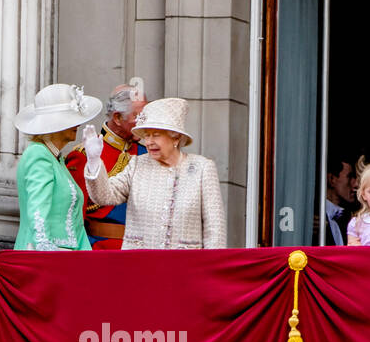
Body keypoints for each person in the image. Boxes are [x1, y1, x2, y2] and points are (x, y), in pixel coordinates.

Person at [81, 97, 226, 249]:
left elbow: (215, 229)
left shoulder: (202, 168)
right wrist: (93, 161)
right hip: (140, 265)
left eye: (155, 135)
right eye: (146, 135)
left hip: (186, 266)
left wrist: (211, 268)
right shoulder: (137, 164)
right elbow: (105, 195)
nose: (149, 142)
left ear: (175, 136)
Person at [13, 83, 102, 251]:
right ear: (53, 125)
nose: (77, 124)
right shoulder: (38, 155)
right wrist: (47, 253)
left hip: (65, 258)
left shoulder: (56, 159)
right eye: (70, 119)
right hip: (44, 259)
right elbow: (37, 212)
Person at [65, 83, 148, 249]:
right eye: (139, 117)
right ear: (117, 118)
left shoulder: (146, 153)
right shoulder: (83, 155)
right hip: (101, 251)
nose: (145, 123)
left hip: (142, 251)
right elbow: (73, 218)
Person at [322, 154, 357, 246]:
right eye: (350, 177)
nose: (356, 184)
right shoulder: (311, 217)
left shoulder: (351, 217)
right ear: (332, 179)